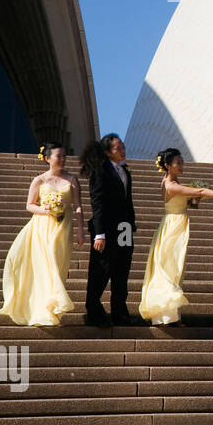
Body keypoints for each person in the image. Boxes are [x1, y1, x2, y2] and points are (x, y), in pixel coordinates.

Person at [138, 148, 213, 325]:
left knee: (174, 268)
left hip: (176, 224)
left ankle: (170, 315)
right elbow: (199, 192)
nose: (181, 165)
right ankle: (165, 315)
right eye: (178, 162)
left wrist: (193, 201)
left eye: (182, 161)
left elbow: (190, 199)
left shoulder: (173, 182)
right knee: (170, 268)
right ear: (168, 165)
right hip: (173, 227)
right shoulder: (170, 184)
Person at [0, 143, 85, 325]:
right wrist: (46, 210)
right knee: (47, 266)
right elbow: (29, 205)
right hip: (41, 228)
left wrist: (80, 229)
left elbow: (77, 205)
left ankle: (53, 310)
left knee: (59, 268)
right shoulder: (39, 180)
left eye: (64, 156)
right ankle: (46, 311)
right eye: (58, 156)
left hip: (64, 228)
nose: (62, 159)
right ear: (47, 158)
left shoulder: (72, 179)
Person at [82, 133, 136, 327]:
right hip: (106, 230)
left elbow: (127, 201)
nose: (122, 149)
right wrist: (99, 233)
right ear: (107, 152)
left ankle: (120, 313)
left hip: (125, 229)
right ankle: (94, 312)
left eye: (122, 145)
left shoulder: (124, 170)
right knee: (101, 270)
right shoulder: (101, 170)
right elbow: (97, 204)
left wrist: (131, 225)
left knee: (122, 271)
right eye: (117, 147)